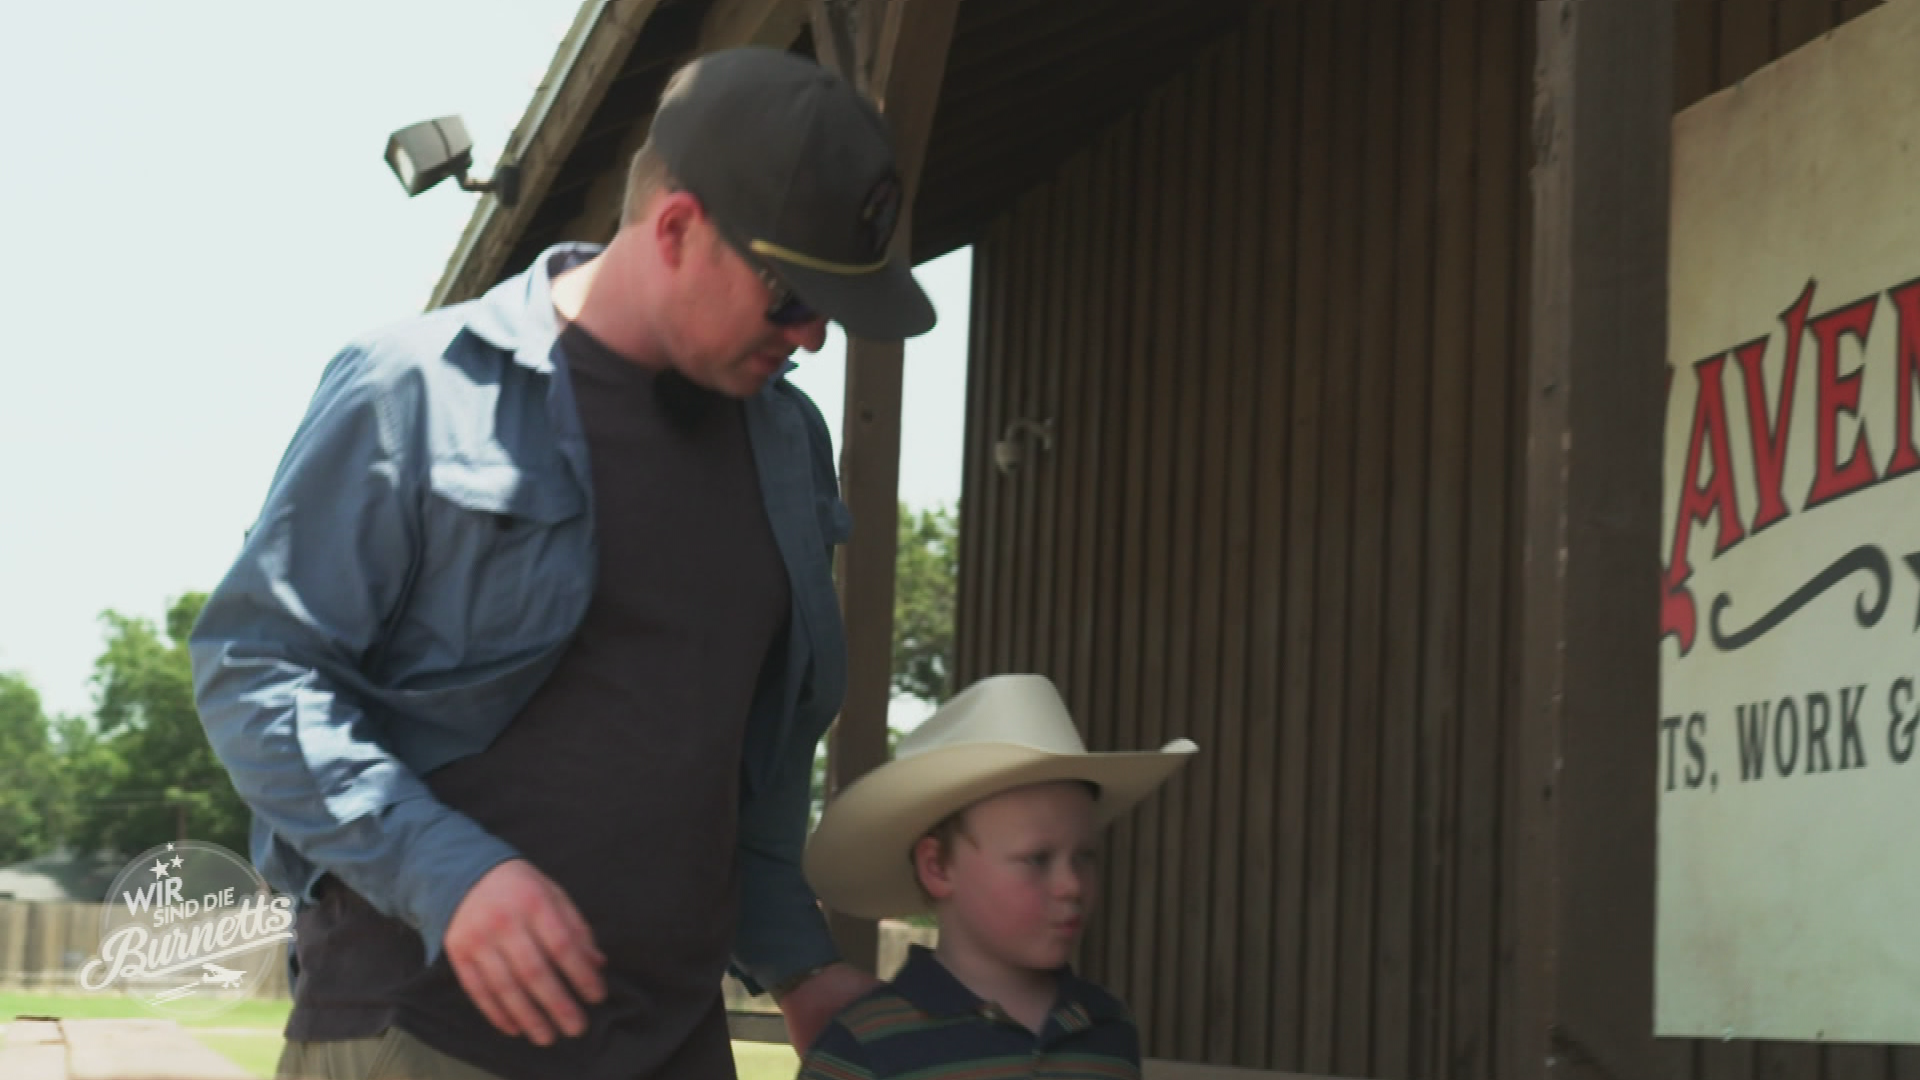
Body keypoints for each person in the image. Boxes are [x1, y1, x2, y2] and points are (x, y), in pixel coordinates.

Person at [189, 46, 935, 1080]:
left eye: (831, 307)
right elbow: (254, 675)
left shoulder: (791, 447)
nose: (811, 336)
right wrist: (444, 868)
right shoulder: (411, 389)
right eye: (790, 295)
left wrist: (801, 964)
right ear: (676, 228)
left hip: (679, 1042)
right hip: (418, 1030)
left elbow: (748, 754)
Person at [796, 674, 1197, 1079]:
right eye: (1037, 859)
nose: (1072, 885)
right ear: (936, 866)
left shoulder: (1108, 1031)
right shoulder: (861, 1047)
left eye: (1085, 856)